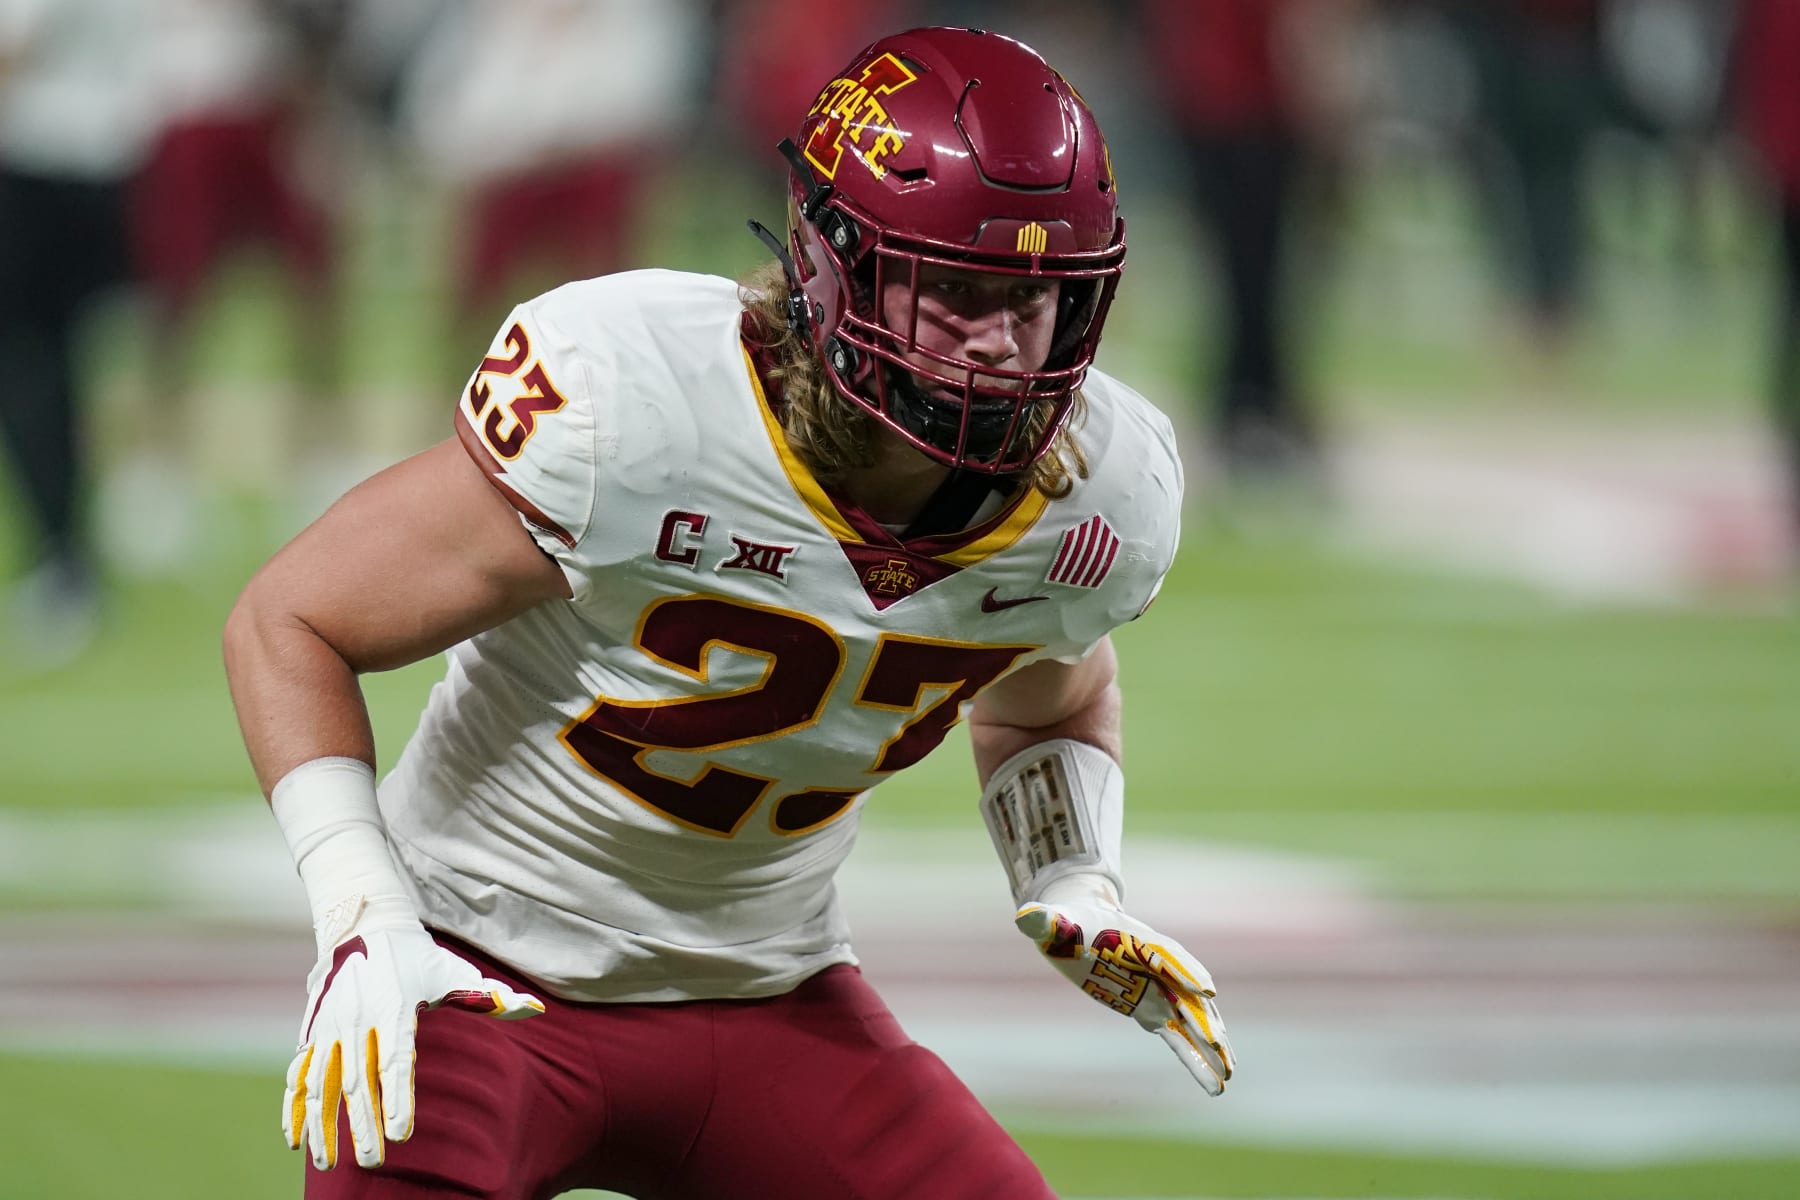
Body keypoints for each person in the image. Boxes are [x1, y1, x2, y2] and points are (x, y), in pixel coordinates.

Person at [224, 26, 1234, 1199]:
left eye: (1035, 300)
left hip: (769, 994)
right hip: (468, 968)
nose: (1002, 343)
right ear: (834, 264)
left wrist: (1068, 876)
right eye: (954, 290)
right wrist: (362, 916)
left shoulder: (1096, 499)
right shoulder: (636, 404)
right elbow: (289, 620)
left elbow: (1051, 687)